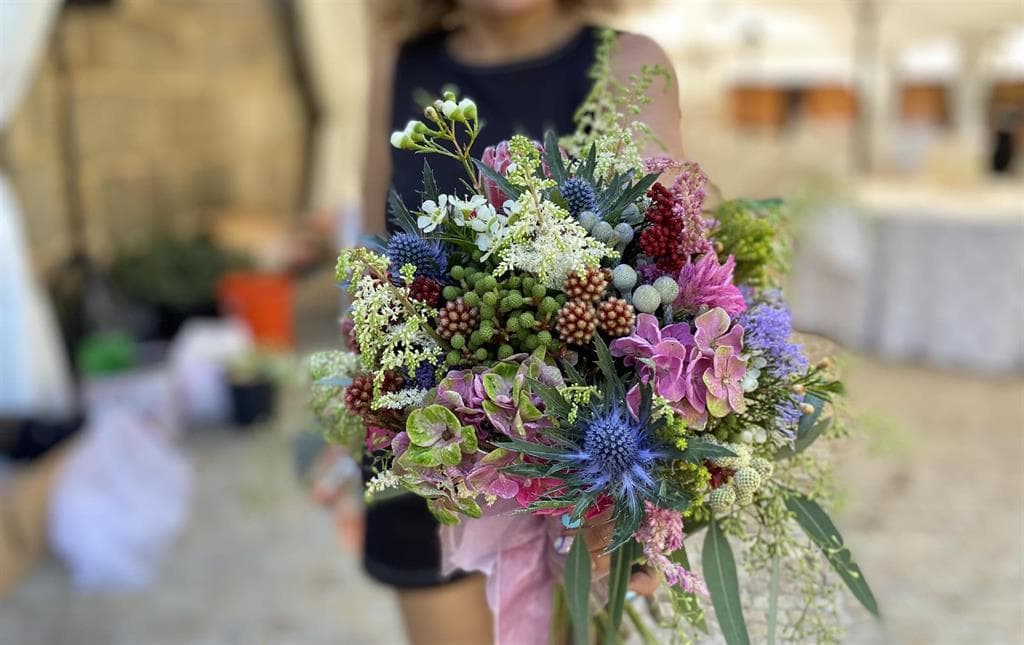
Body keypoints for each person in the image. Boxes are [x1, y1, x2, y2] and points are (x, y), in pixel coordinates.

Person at [323, 1, 685, 642]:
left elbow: (668, 267)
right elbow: (376, 258)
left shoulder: (628, 63)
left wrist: (639, 498)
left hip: (580, 478)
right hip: (427, 456)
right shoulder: (403, 61)